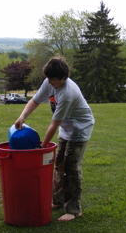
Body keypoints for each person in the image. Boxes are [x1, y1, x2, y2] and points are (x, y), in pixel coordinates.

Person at [14, 56, 95, 221]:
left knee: (71, 168)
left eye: (54, 80)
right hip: (66, 128)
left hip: (80, 130)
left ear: (64, 78)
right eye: (49, 79)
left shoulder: (67, 93)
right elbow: (35, 101)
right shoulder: (50, 81)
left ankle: (73, 210)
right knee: (59, 165)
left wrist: (43, 146)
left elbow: (53, 124)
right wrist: (22, 116)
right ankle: (57, 201)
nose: (50, 83)